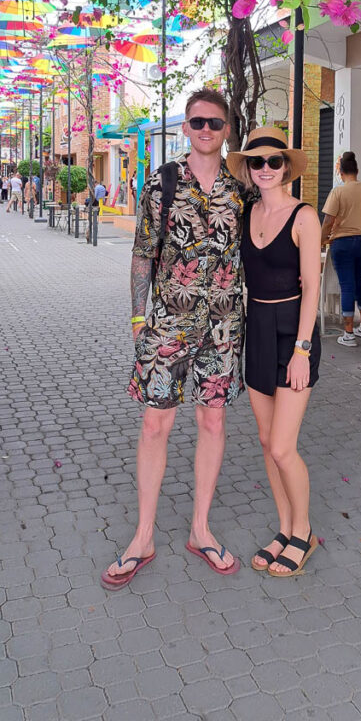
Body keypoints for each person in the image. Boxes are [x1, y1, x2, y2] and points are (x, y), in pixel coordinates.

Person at [101, 88, 246, 590]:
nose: (206, 130)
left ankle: (200, 529)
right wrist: (137, 321)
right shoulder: (163, 185)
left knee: (213, 419)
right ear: (186, 128)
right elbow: (143, 253)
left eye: (215, 123)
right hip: (167, 324)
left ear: (226, 130)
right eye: (197, 122)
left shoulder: (239, 189)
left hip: (223, 326)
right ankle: (142, 537)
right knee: (156, 424)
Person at [227, 127, 322, 577]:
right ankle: (284, 528)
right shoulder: (245, 213)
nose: (266, 169)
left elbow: (313, 288)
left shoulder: (304, 216)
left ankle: (304, 532)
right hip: (257, 330)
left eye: (274, 161)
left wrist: (302, 350)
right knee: (267, 443)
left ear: (286, 167)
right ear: (248, 168)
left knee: (284, 447)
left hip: (293, 334)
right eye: (257, 162)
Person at [321, 151, 361, 347]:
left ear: (341, 172)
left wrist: (321, 239)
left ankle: (348, 333)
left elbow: (328, 220)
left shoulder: (338, 192)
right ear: (356, 170)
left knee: (347, 285)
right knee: (359, 284)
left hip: (343, 243)